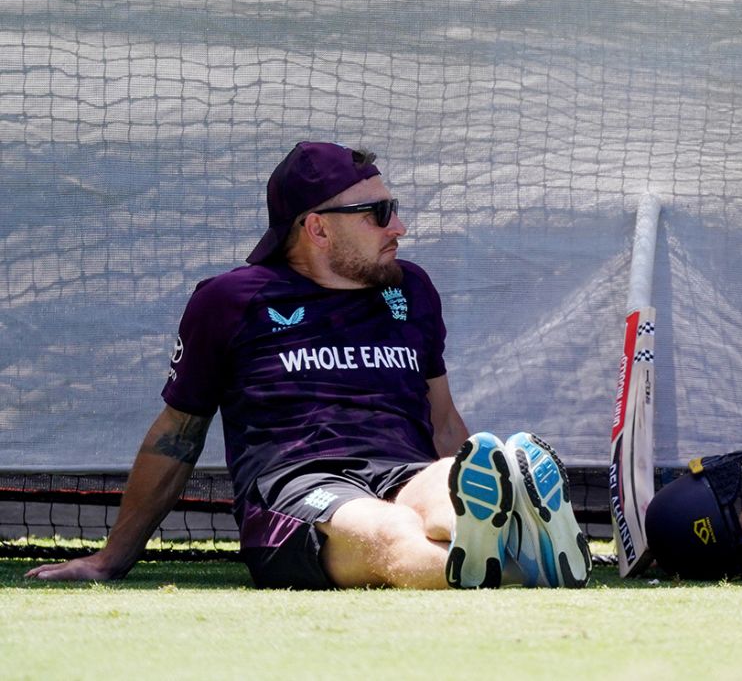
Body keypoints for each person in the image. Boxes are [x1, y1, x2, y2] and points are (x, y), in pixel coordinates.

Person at [26, 141, 591, 590]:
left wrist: (462, 466)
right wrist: (110, 561)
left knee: (450, 491)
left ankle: (502, 523)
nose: (399, 227)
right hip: (296, 489)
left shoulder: (411, 288)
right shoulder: (230, 300)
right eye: (379, 213)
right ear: (317, 227)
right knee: (390, 531)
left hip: (402, 469)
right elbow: (177, 436)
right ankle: (523, 562)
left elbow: (443, 421)